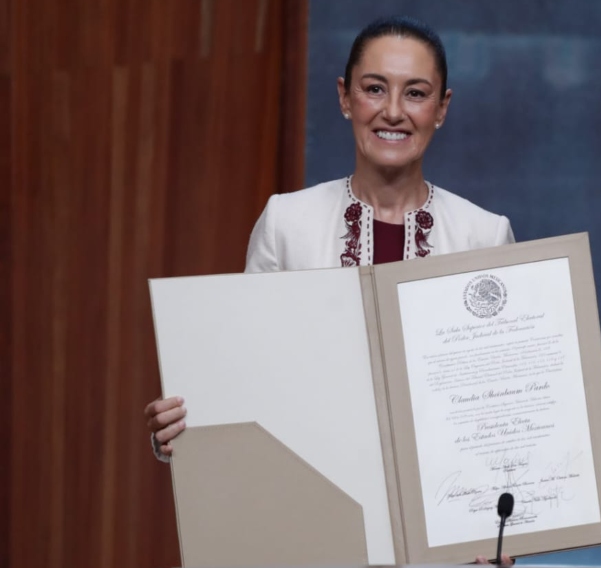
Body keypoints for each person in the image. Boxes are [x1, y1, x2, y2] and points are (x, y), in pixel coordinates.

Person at [145, 15, 513, 460]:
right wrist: (183, 430)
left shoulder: (485, 235)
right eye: (374, 88)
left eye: (415, 93)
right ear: (344, 97)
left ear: (441, 108)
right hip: (312, 482)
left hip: (444, 484)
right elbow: (246, 371)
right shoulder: (286, 223)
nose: (393, 111)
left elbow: (505, 400)